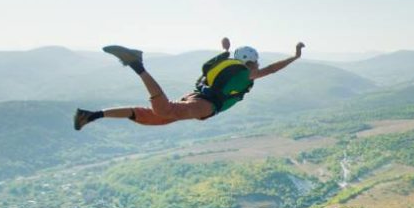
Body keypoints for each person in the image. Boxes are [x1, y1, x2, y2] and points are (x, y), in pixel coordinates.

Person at [74, 37, 305, 130]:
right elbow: (272, 70)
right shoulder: (246, 73)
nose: (258, 66)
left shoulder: (228, 65)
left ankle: (92, 115)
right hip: (206, 105)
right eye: (255, 63)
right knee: (163, 111)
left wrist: (225, 49)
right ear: (251, 62)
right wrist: (294, 57)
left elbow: (216, 67)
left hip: (196, 96)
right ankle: (137, 65)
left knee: (151, 117)